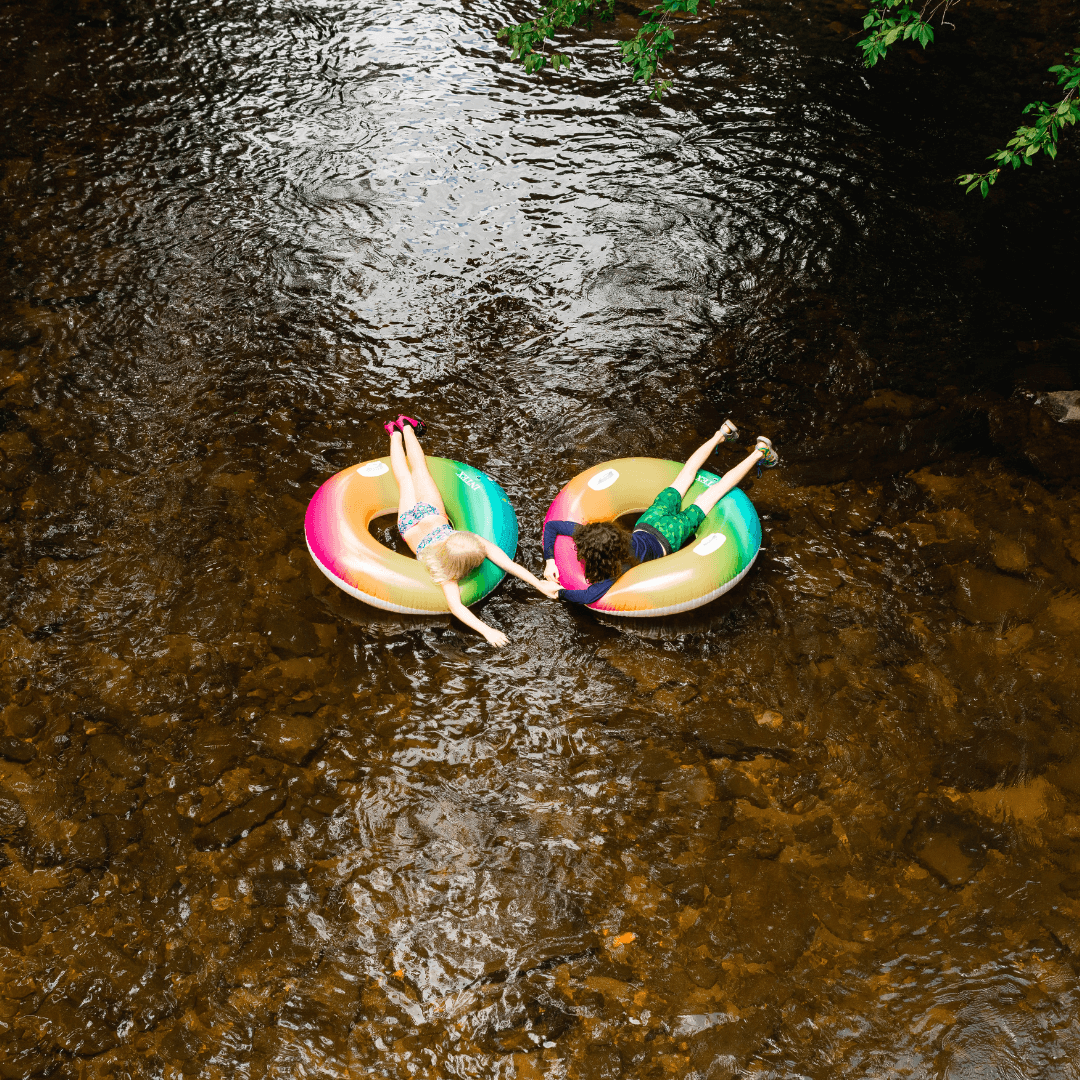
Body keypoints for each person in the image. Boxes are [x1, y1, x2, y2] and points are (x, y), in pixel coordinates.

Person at [542, 423, 779, 605]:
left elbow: (588, 596)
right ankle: (722, 432)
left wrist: (558, 589)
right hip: (648, 522)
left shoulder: (617, 570)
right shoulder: (594, 534)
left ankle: (759, 453)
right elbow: (554, 526)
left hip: (670, 537)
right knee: (686, 474)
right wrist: (550, 559)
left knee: (714, 493)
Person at [386, 415, 560, 646]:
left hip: (429, 517)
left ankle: (401, 430)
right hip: (412, 523)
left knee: (408, 478)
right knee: (416, 473)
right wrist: (487, 630)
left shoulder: (450, 555)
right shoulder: (446, 573)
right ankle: (398, 431)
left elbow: (507, 565)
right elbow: (457, 606)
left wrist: (539, 585)